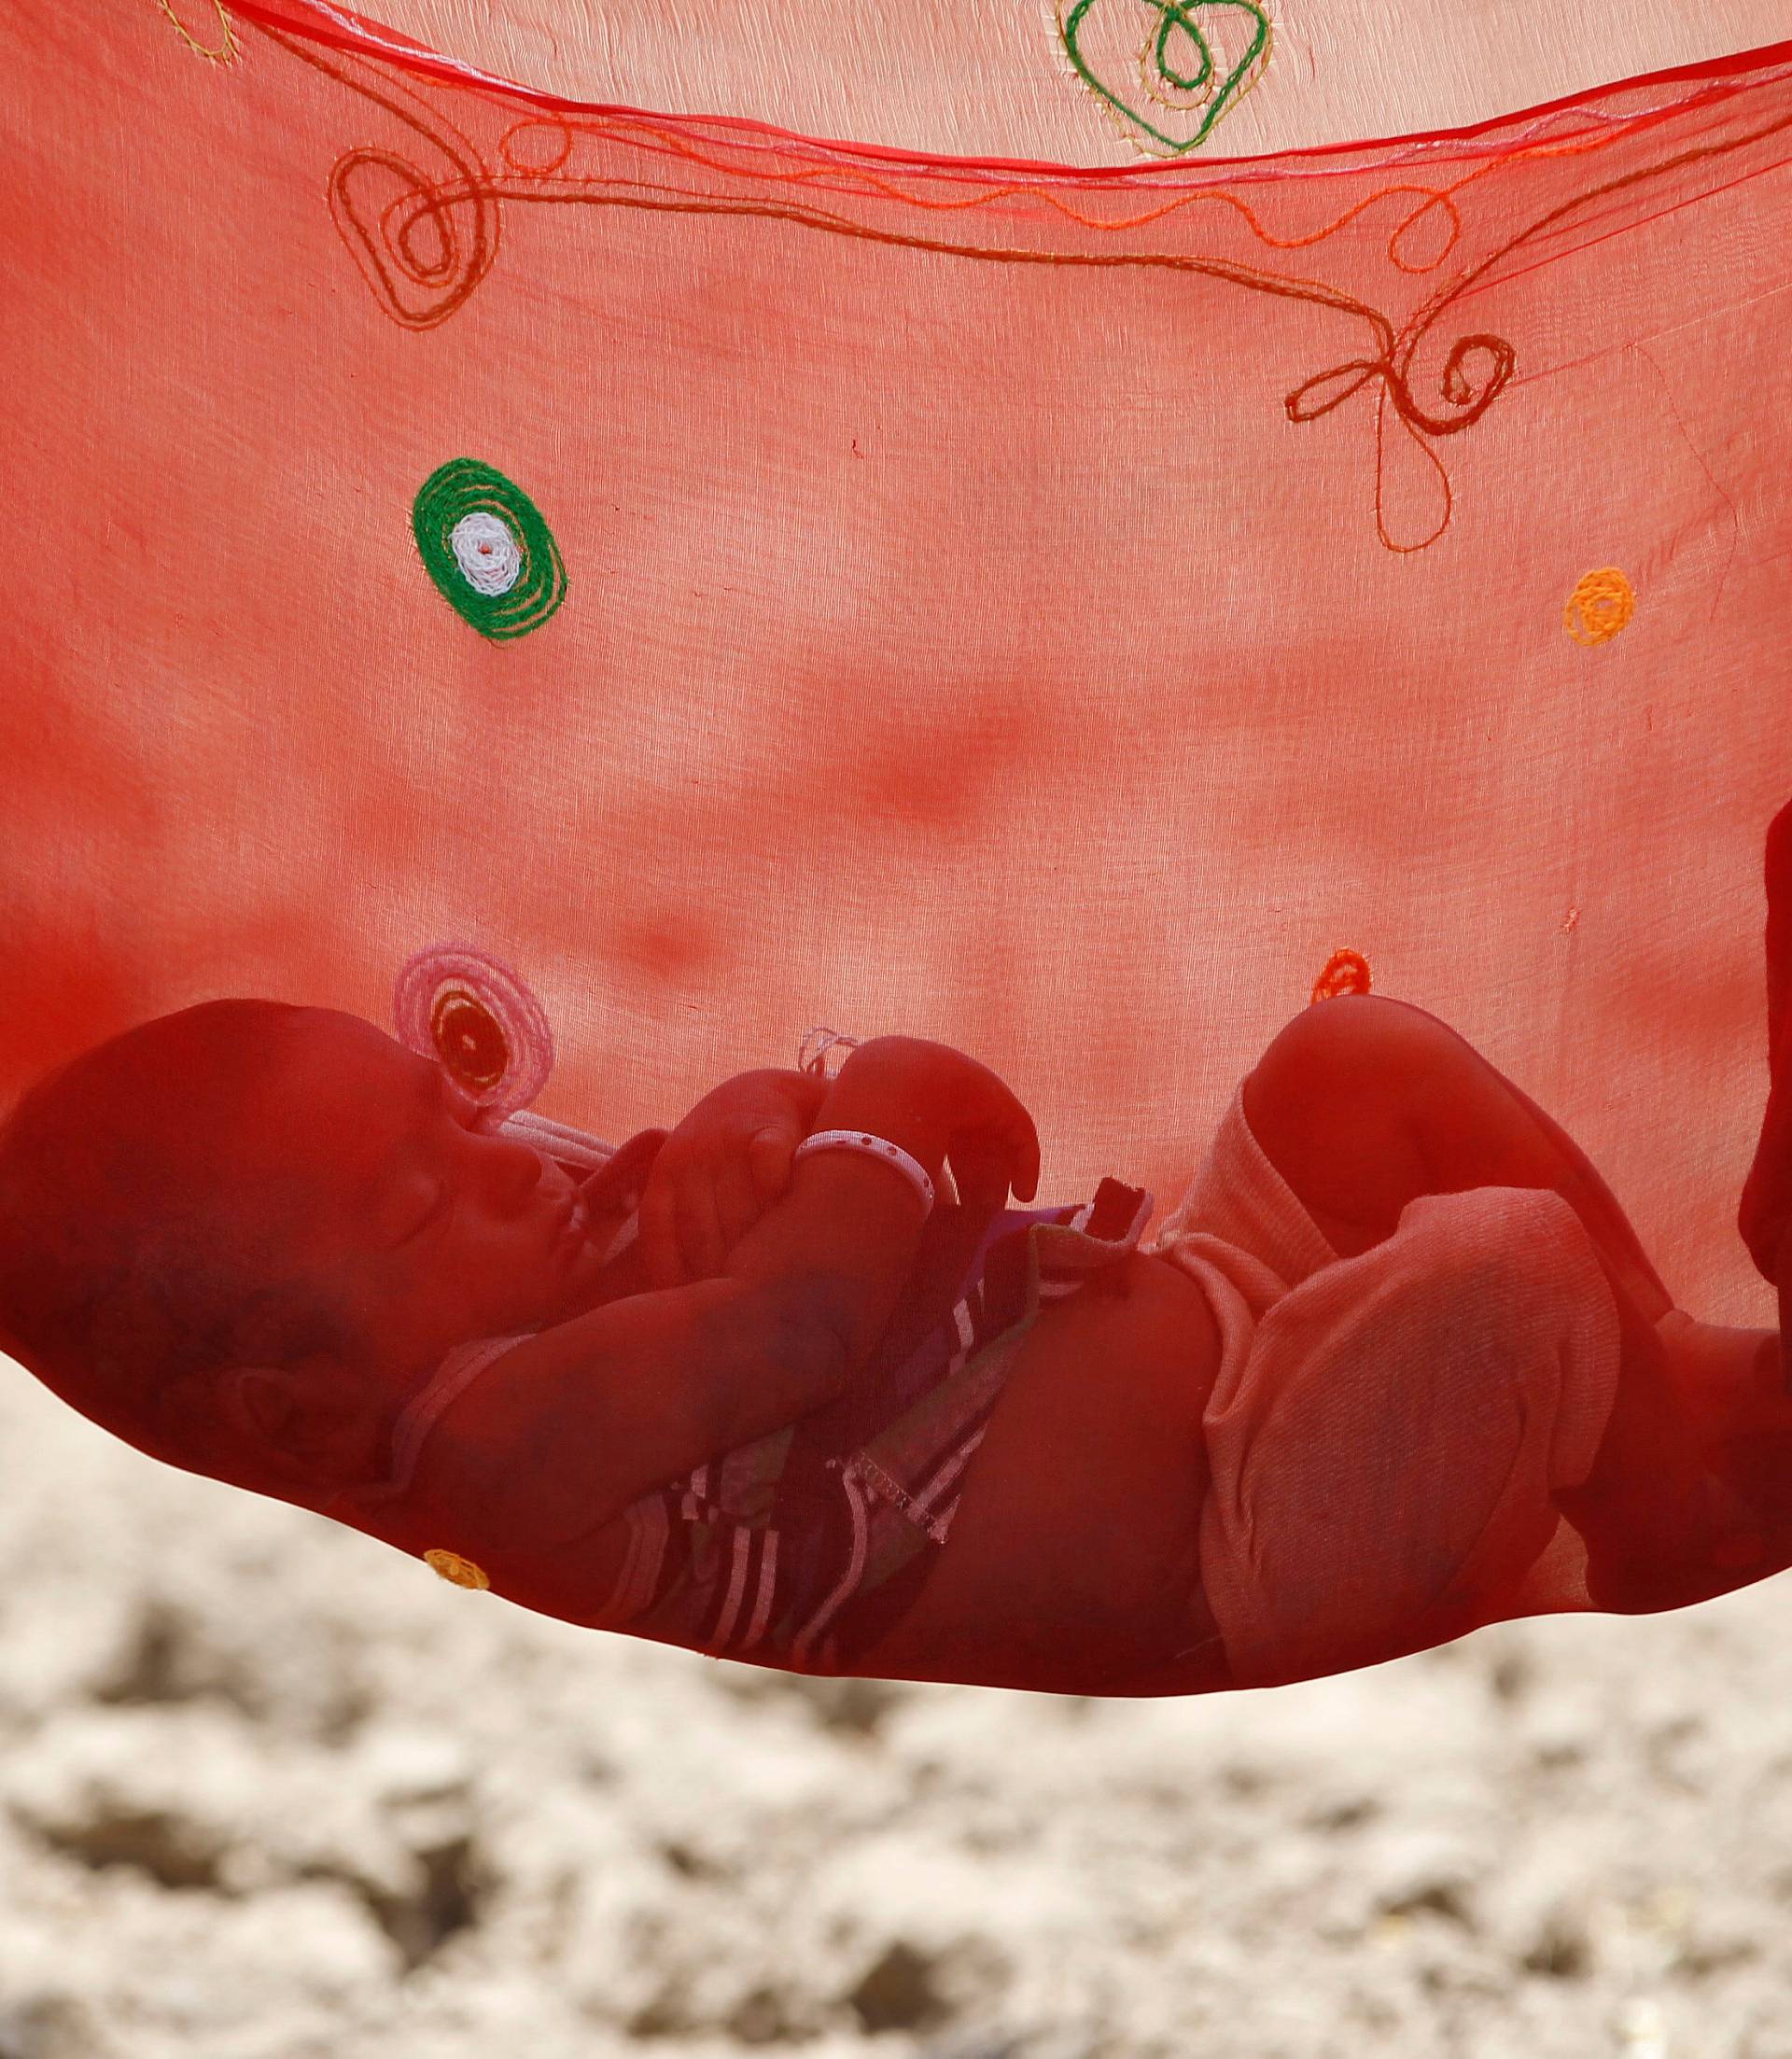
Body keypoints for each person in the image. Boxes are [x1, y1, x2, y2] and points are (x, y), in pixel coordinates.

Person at [3, 805, 1790, 1698]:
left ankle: (1682, 1386)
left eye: (455, 1112)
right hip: (1251, 1527)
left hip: (1219, 1304)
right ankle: (1678, 1490)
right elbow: (798, 1319)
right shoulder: (501, 1448)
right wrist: (882, 1098)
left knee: (1355, 1062)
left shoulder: (528, 1250)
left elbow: (764, 1178)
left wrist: (759, 1110)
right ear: (301, 1409)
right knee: (1499, 1270)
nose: (509, 1165)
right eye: (424, 1197)